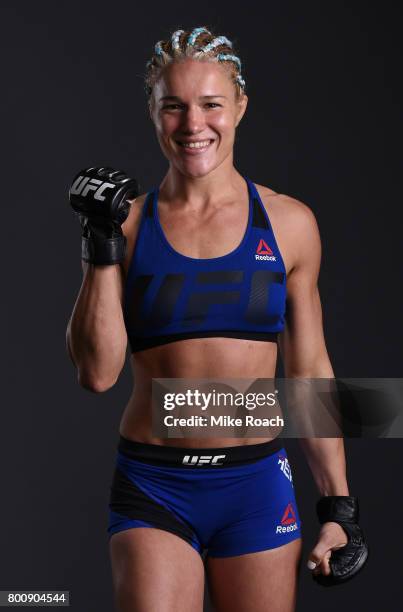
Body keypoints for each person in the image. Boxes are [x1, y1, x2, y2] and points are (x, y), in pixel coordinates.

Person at [67, 26, 368, 612]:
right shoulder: (124, 225)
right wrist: (97, 246)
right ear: (153, 113)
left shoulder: (288, 225)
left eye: (211, 104)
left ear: (241, 107)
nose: (192, 124)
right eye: (173, 106)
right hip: (155, 483)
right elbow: (98, 374)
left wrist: (340, 509)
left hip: (255, 484)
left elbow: (309, 370)